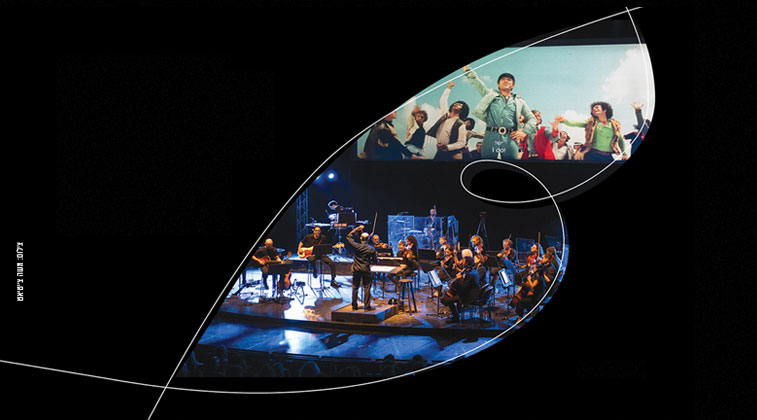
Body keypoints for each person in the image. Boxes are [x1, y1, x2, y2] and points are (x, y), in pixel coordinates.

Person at [463, 65, 537, 160]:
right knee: (488, 163)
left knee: (511, 164)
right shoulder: (489, 95)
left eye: (509, 80)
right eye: (503, 79)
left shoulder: (519, 101)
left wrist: (524, 131)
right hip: (490, 136)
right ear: (498, 85)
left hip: (510, 138)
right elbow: (477, 83)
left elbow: (532, 118)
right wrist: (467, 70)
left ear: (513, 85)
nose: (506, 81)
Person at [556, 101, 627, 162]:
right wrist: (564, 121)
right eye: (593, 109)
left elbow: (620, 140)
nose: (594, 109)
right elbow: (575, 123)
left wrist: (624, 153)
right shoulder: (591, 122)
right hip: (592, 155)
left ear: (604, 110)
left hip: (607, 156)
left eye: (596, 107)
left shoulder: (614, 125)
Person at [426, 81, 469, 161]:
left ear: (462, 110)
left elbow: (462, 143)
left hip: (451, 154)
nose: (456, 104)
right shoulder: (445, 115)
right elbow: (443, 101)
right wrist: (449, 87)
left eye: (460, 105)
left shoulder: (460, 124)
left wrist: (447, 147)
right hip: (440, 152)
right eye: (456, 103)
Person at [441, 249, 481, 323]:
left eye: (464, 261)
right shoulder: (472, 270)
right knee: (450, 296)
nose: (462, 262)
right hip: (467, 293)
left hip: (469, 297)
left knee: (446, 300)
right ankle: (457, 312)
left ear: (467, 263)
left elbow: (464, 287)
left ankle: (456, 317)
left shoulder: (470, 274)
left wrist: (459, 279)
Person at [345, 225, 378, 310]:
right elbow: (375, 261)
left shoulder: (356, 246)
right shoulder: (371, 249)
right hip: (366, 269)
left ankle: (354, 305)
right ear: (368, 239)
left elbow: (348, 236)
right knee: (367, 287)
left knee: (355, 287)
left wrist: (357, 229)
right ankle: (367, 306)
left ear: (361, 238)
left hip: (356, 269)